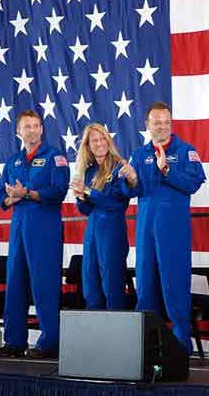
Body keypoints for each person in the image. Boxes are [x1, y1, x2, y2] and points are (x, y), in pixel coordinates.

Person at [118, 102, 206, 355]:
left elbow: (193, 183)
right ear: (147, 125)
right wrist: (131, 180)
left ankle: (180, 345)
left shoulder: (186, 150)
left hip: (174, 229)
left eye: (166, 121)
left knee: (174, 283)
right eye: (157, 122)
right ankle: (145, 345)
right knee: (145, 284)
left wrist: (166, 169)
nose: (162, 126)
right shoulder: (138, 154)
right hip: (146, 228)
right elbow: (130, 191)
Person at [0, 110, 69, 359]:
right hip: (19, 227)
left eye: (36, 126)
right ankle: (14, 341)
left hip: (44, 227)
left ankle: (50, 343)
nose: (32, 130)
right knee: (15, 282)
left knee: (45, 284)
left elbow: (58, 191)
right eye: (27, 127)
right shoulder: (13, 161)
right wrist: (10, 197)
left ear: (42, 130)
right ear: (18, 132)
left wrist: (26, 194)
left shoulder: (54, 157)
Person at [71, 123, 130, 310]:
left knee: (112, 285)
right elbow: (87, 210)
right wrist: (80, 197)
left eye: (102, 138)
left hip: (112, 230)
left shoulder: (120, 166)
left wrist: (89, 193)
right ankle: (94, 335)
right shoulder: (88, 172)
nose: (99, 143)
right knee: (90, 283)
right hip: (92, 231)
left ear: (108, 140)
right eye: (94, 140)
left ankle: (116, 335)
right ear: (87, 146)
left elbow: (117, 203)